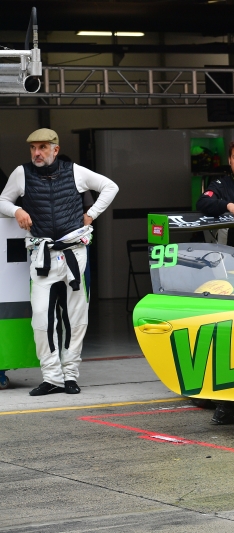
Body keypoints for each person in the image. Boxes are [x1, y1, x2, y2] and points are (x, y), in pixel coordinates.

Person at [0, 128, 119, 396]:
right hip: (42, 254)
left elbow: (110, 186)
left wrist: (92, 214)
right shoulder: (22, 173)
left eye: (42, 147)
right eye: (33, 148)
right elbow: (2, 201)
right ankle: (52, 377)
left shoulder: (75, 171)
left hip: (74, 252)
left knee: (76, 319)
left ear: (55, 149)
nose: (37, 153)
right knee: (41, 318)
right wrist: (16, 209)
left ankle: (70, 376)